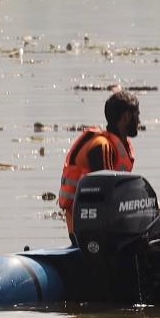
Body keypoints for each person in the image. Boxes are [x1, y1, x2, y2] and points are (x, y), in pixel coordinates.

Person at [58, 91, 140, 243]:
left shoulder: (120, 146)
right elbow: (106, 195)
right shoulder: (102, 147)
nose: (139, 121)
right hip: (89, 231)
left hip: (104, 225)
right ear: (126, 117)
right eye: (137, 115)